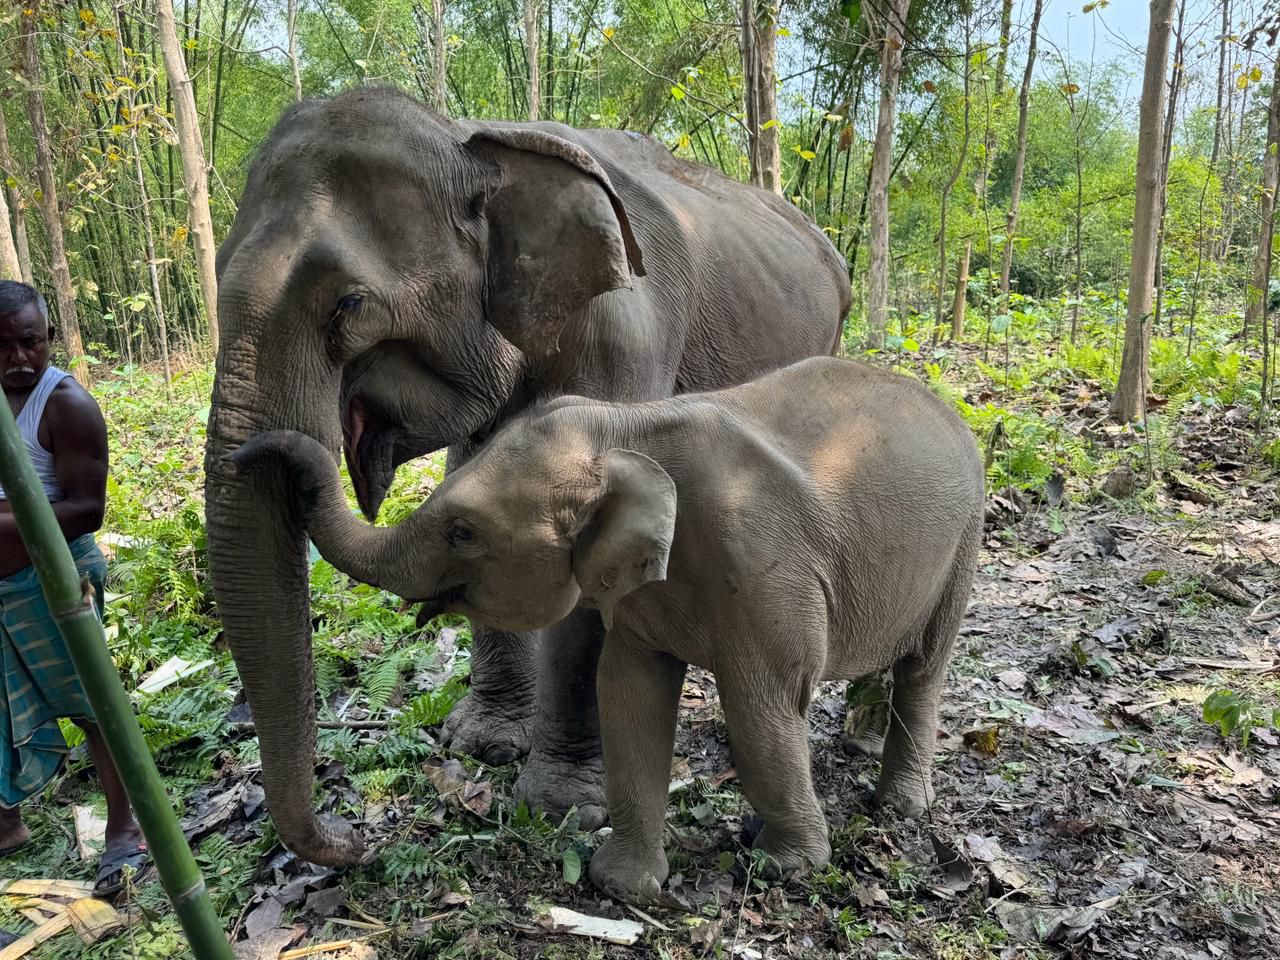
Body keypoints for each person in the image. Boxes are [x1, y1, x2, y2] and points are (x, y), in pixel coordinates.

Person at [0, 280, 147, 894]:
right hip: (4, 589)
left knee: (93, 704)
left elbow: (88, 510)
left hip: (54, 583)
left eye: (31, 342)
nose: (20, 358)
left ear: (49, 337)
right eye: (4, 346)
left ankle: (126, 829)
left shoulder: (64, 405)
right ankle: (6, 821)